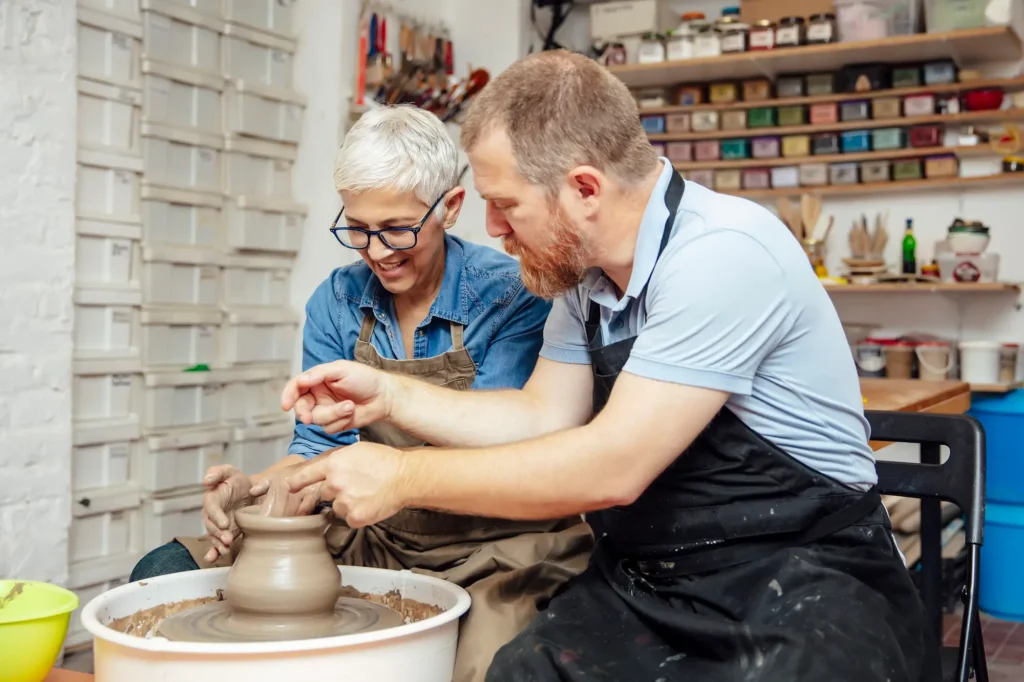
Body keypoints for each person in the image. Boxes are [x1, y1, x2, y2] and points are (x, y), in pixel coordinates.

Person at [279, 51, 939, 682]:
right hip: (659, 576)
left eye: (505, 204)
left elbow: (614, 465)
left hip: (804, 576)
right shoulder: (582, 277)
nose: (493, 228)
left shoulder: (722, 256)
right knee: (518, 671)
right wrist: (388, 398)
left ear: (584, 188)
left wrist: (400, 474)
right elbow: (541, 416)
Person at [129, 105, 594, 682]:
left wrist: (391, 450)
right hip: (373, 531)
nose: (376, 251)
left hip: (495, 544)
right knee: (165, 569)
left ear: (449, 208)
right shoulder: (339, 300)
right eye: (357, 228)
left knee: (490, 665)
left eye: (397, 227)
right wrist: (259, 488)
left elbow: (510, 452)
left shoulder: (512, 295)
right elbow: (316, 446)